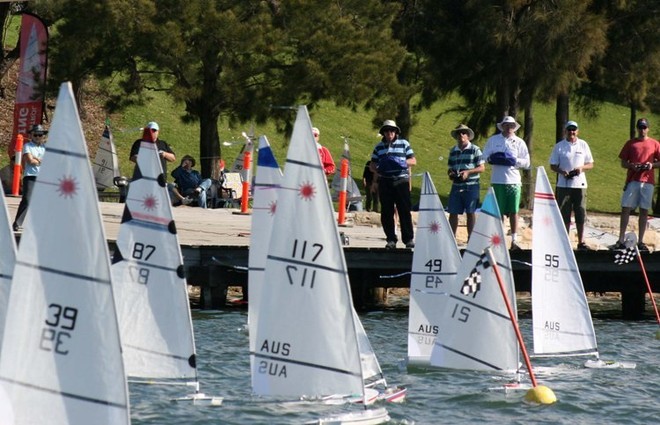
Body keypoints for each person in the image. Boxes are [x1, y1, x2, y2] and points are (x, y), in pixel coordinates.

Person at [483, 115, 531, 250]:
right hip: (497, 180)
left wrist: (514, 160)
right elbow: (484, 155)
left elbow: (527, 162)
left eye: (511, 125)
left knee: (514, 210)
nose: (509, 127)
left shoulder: (519, 142)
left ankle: (514, 239)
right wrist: (493, 158)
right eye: (507, 125)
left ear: (514, 127)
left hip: (514, 181)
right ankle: (499, 238)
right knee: (499, 211)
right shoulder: (493, 140)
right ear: (502, 126)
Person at [613, 118, 660, 252]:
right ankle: (621, 239)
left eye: (644, 127)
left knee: (644, 210)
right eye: (640, 127)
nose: (642, 130)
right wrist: (632, 166)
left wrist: (651, 165)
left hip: (648, 181)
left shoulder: (655, 144)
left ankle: (640, 241)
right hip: (632, 180)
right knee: (626, 208)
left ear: (648, 128)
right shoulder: (631, 143)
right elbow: (623, 162)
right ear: (637, 128)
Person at [370, 119, 416, 249]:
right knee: (386, 211)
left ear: (396, 132)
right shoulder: (379, 147)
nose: (389, 133)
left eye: (392, 130)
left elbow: (413, 160)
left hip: (401, 179)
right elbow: (372, 164)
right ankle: (391, 239)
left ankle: (408, 239)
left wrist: (401, 162)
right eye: (386, 131)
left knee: (404, 210)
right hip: (385, 180)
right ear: (383, 133)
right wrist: (377, 171)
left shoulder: (404, 144)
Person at [549, 120, 594, 250]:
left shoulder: (583, 145)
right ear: (565, 131)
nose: (571, 132)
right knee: (564, 213)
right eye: (569, 130)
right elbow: (552, 165)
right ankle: (565, 242)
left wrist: (581, 168)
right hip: (564, 185)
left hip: (580, 185)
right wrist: (562, 172)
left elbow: (591, 163)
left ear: (577, 131)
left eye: (574, 130)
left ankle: (581, 242)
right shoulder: (559, 146)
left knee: (580, 212)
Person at [447, 124, 485, 239]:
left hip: (471, 185)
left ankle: (471, 239)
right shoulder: (453, 151)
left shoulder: (475, 149)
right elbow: (450, 167)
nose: (461, 135)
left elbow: (482, 168)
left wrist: (468, 172)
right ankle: (451, 238)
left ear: (468, 136)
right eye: (459, 133)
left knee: (470, 212)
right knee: (452, 212)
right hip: (456, 184)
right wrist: (451, 174)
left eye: (463, 133)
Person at [12, 124, 48, 231]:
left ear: (43, 136)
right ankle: (17, 223)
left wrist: (37, 159)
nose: (37, 137)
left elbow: (50, 161)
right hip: (30, 176)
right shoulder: (27, 146)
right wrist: (41, 160)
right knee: (27, 199)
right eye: (35, 135)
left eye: (40, 135)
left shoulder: (45, 147)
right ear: (32, 135)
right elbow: (30, 161)